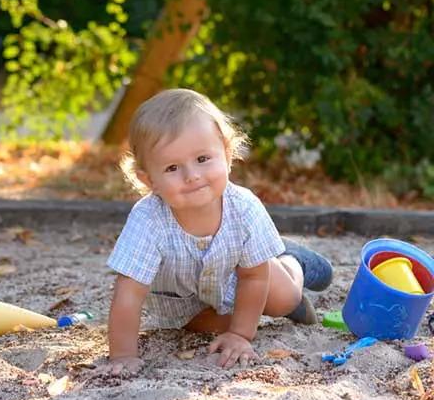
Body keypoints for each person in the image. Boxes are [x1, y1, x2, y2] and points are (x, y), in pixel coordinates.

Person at [101, 89, 333, 374]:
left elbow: (253, 277)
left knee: (284, 299)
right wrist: (122, 355)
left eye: (202, 159)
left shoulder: (243, 208)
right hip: (188, 301)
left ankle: (293, 260)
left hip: (245, 273)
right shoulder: (148, 219)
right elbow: (129, 294)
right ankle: (264, 257)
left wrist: (241, 336)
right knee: (197, 328)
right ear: (149, 180)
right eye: (173, 167)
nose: (192, 176)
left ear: (226, 153)